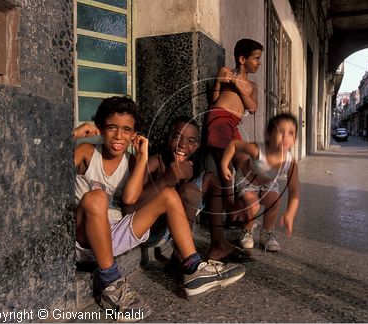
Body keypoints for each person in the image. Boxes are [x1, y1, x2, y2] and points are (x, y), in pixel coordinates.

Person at [73, 97, 246, 319]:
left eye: (127, 130)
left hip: (116, 234)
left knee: (168, 195)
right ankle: (110, 282)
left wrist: (143, 155)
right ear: (100, 128)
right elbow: (50, 165)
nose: (119, 136)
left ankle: (193, 268)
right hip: (85, 237)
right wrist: (76, 135)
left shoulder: (133, 162)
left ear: (135, 134)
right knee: (96, 198)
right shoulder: (88, 151)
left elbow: (129, 198)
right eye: (111, 128)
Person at [125, 116, 246, 261]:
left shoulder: (189, 165)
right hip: (152, 231)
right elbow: (130, 208)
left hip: (174, 228)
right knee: (188, 190)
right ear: (167, 138)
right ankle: (181, 254)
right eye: (177, 137)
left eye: (190, 141)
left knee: (210, 179)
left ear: (195, 146)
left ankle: (218, 245)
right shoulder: (155, 162)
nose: (183, 145)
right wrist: (167, 179)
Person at [220, 113, 300, 252]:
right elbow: (234, 145)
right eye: (281, 132)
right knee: (253, 205)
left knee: (274, 201)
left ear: (295, 138)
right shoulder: (257, 150)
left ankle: (266, 234)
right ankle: (247, 230)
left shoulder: (290, 162)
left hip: (268, 184)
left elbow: (294, 191)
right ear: (268, 134)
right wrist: (224, 164)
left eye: (291, 133)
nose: (286, 137)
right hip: (247, 180)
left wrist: (290, 213)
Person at [205, 38, 263, 223]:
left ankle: (239, 205)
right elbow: (214, 99)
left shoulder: (252, 87)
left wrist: (238, 85)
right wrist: (218, 82)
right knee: (226, 168)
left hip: (234, 125)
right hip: (219, 119)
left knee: (245, 162)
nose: (258, 63)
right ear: (242, 59)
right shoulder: (226, 72)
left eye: (259, 58)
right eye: (255, 58)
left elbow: (252, 108)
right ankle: (230, 212)